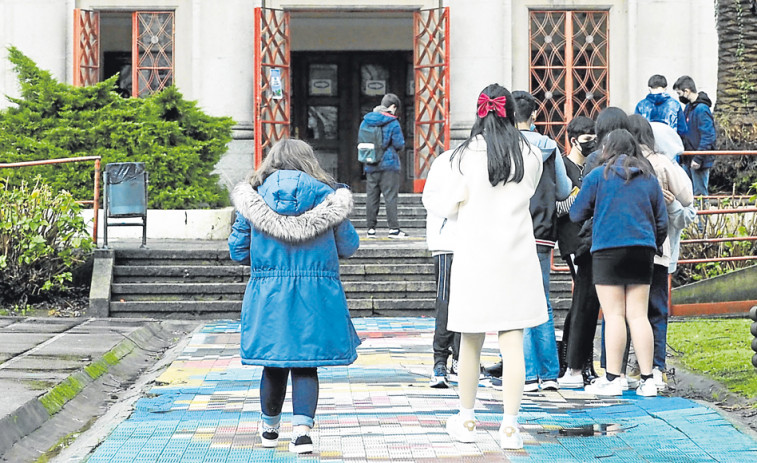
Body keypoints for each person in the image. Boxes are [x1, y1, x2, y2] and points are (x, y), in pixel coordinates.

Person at [423, 83, 547, 450]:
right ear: (510, 111)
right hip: (517, 257)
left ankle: (467, 418)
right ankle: (510, 426)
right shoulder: (531, 154)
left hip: (474, 258)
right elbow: (532, 189)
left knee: (470, 342)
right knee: (512, 343)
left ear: (479, 112)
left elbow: (441, 204)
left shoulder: (459, 158)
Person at [228, 139, 361, 454]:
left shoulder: (254, 199)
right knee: (306, 363)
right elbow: (349, 246)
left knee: (273, 362)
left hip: (268, 295)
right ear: (309, 162)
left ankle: (269, 429)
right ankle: (301, 433)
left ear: (271, 162)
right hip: (316, 296)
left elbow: (237, 251)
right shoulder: (328, 199)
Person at [570, 129, 668, 397]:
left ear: (607, 149)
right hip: (643, 249)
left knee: (614, 314)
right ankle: (648, 379)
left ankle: (614, 378)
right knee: (638, 314)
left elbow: (576, 212)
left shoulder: (597, 176)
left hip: (607, 249)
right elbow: (662, 220)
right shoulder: (649, 178)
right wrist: (653, 243)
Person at [628, 115, 695, 390]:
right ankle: (653, 367)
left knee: (633, 309)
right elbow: (688, 197)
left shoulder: (622, 164)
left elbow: (687, 209)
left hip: (634, 248)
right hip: (655, 248)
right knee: (653, 308)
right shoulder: (663, 164)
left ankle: (632, 367)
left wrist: (672, 206)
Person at [512, 90, 572, 392]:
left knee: (515, 304)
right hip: (542, 231)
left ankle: (527, 374)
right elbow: (563, 190)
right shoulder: (549, 146)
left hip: (512, 232)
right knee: (542, 302)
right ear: (534, 116)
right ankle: (550, 374)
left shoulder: (502, 148)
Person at [555, 116, 601, 389]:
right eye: (586, 138)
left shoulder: (596, 165)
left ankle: (578, 360)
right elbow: (558, 207)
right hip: (573, 240)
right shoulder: (563, 166)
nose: (591, 143)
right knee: (582, 301)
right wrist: (582, 194)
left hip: (594, 240)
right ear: (573, 139)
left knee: (586, 302)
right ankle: (574, 360)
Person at [424, 152, 460, 388]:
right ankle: (440, 361)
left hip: (474, 242)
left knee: (469, 303)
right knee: (446, 302)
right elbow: (432, 199)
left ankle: (461, 358)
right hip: (447, 242)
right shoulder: (446, 161)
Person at [360, 93, 408, 238]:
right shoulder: (393, 122)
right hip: (389, 165)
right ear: (392, 107)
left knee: (372, 197)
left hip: (370, 162)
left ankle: (371, 229)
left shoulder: (366, 121)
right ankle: (393, 229)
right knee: (390, 197)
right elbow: (399, 144)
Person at [672, 76, 717, 196]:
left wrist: (698, 158)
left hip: (698, 160)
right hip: (688, 158)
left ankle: (703, 215)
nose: (679, 96)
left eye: (679, 93)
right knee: (688, 193)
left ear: (687, 91)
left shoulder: (701, 109)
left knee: (699, 193)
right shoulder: (689, 107)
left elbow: (708, 136)